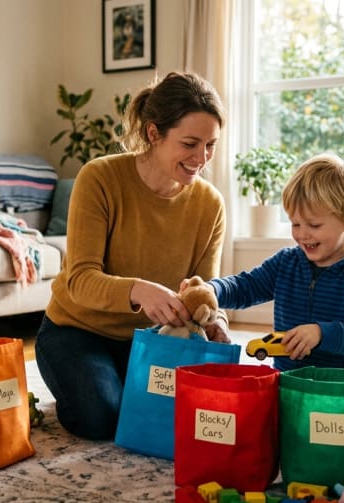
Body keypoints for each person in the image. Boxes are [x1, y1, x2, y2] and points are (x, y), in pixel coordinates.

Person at [35, 71, 229, 440]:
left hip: (153, 339)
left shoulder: (210, 204)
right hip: (76, 332)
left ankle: (123, 386)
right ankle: (83, 385)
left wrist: (214, 320)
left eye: (211, 145)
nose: (201, 158)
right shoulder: (100, 178)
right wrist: (140, 291)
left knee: (180, 414)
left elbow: (204, 287)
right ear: (154, 133)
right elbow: (79, 280)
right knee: (102, 417)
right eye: (190, 143)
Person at [206, 153, 344, 371]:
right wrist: (212, 290)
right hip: (288, 378)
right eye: (295, 224)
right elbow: (247, 286)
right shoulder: (286, 262)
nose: (302, 234)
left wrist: (321, 333)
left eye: (314, 225)